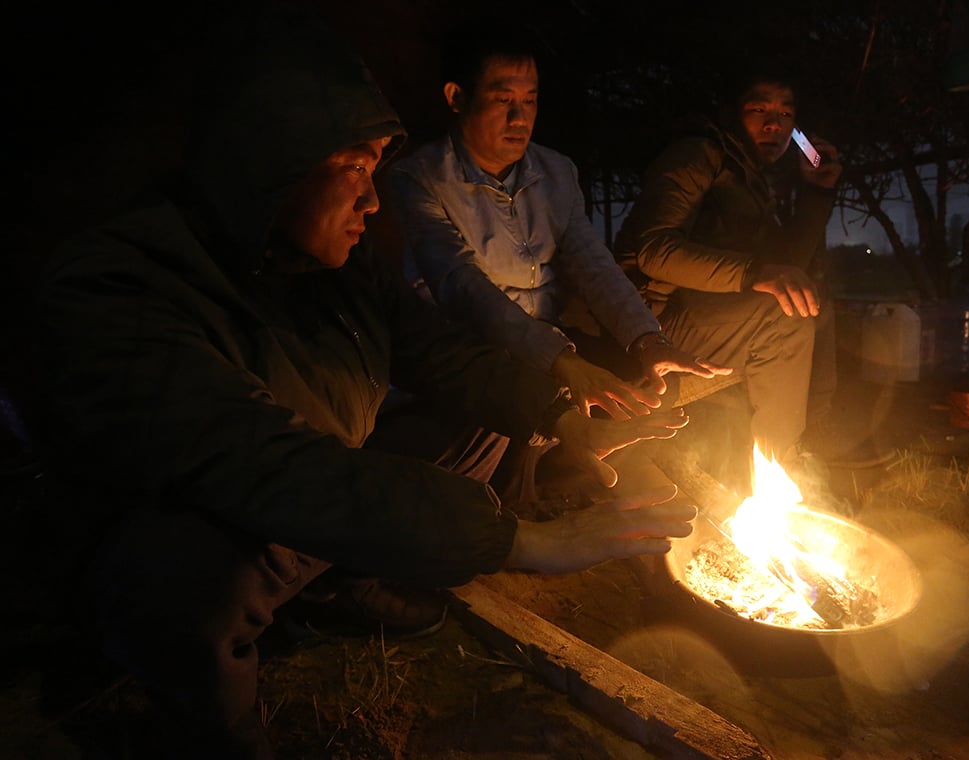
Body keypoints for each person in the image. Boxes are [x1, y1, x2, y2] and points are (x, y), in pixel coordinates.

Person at [20, 5, 696, 758]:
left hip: (313, 479)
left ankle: (340, 579)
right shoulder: (120, 288)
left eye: (376, 166)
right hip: (214, 512)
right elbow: (270, 468)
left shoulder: (334, 266)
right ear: (266, 162)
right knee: (191, 585)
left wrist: (563, 413)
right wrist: (522, 540)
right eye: (351, 167)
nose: (373, 200)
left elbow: (442, 353)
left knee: (483, 412)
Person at [383, 20, 731, 426]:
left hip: (557, 339)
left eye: (530, 100)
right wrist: (562, 363)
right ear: (457, 96)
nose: (519, 117)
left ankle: (596, 467)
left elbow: (593, 264)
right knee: (537, 405)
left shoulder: (555, 172)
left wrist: (647, 341)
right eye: (502, 100)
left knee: (652, 385)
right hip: (476, 355)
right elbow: (464, 289)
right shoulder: (420, 179)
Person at [613, 58, 849, 493]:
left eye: (785, 114)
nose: (774, 124)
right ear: (731, 112)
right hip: (644, 322)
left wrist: (817, 193)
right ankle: (780, 478)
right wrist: (754, 272)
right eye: (760, 110)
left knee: (807, 296)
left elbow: (788, 268)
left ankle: (803, 453)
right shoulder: (698, 154)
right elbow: (652, 249)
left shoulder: (753, 180)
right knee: (786, 313)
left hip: (693, 317)